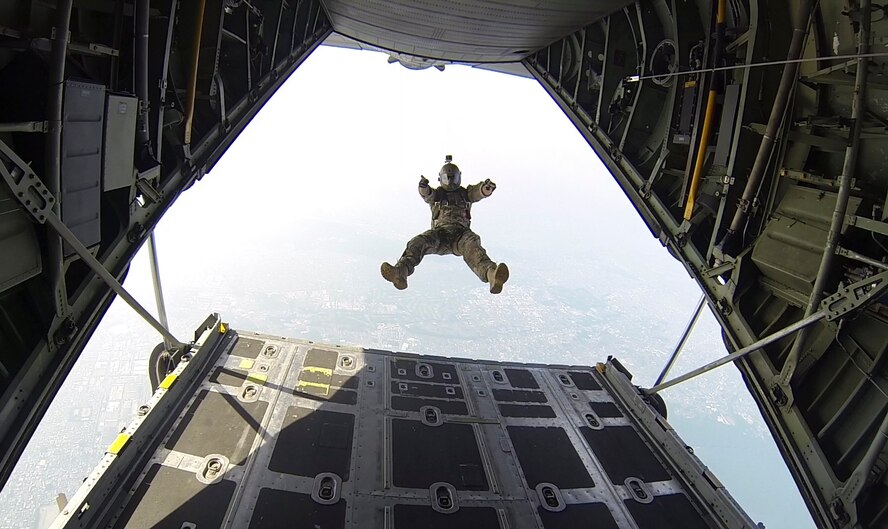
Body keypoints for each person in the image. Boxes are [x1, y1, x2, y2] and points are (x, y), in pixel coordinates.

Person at [381, 155, 510, 294]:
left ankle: (492, 275)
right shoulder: (438, 195)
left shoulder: (465, 193)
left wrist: (486, 188)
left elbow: (478, 192)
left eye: (452, 177)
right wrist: (423, 186)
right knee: (417, 242)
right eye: (447, 177)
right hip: (440, 234)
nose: (450, 181)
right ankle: (400, 272)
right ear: (441, 178)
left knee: (473, 248)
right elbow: (427, 194)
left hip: (461, 236)